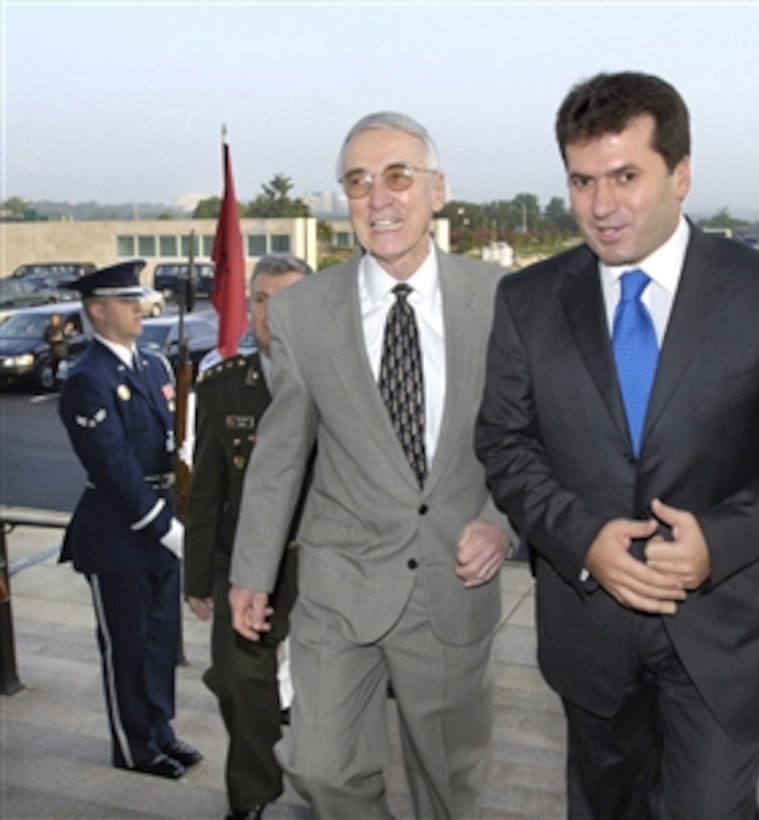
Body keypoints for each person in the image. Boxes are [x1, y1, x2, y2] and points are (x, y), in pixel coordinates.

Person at [475, 71, 759, 818]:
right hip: (589, 630)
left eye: (624, 177)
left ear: (680, 174)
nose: (600, 206)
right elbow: (505, 444)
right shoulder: (526, 300)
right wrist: (582, 540)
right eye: (581, 181)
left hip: (722, 632)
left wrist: (716, 541)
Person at [227, 112, 513, 819]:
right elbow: (281, 453)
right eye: (358, 182)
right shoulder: (303, 311)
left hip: (451, 582)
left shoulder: (501, 300)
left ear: (437, 190)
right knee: (321, 769)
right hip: (339, 582)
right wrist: (251, 574)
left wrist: (499, 521)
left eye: (396, 177)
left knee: (448, 785)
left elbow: (532, 436)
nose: (377, 198)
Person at [57, 260, 201, 780]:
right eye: (126, 300)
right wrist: (166, 526)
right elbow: (114, 467)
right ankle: (134, 746)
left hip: (161, 523)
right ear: (97, 311)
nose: (139, 307)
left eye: (137, 298)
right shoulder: (87, 380)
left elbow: (171, 443)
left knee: (160, 641)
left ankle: (161, 732)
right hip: (119, 533)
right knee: (128, 646)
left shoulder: (156, 366)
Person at [183, 253, 313, 820]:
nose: (271, 312)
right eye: (261, 300)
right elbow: (206, 489)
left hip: (322, 565)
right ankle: (253, 793)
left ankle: (328, 781)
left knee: (332, 687)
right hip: (243, 565)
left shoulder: (342, 380)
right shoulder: (224, 387)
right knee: (237, 680)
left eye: (286, 301)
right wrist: (197, 576)